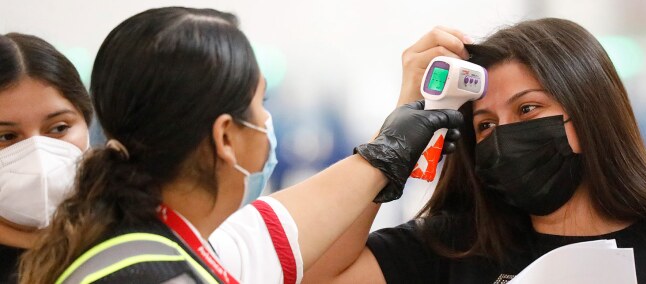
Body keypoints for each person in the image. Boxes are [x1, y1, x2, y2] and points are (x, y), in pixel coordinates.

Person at [302, 18, 646, 283]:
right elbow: (315, 274)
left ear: (591, 115)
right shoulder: (451, 249)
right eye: (485, 124)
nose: (504, 134)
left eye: (528, 109)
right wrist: (391, 145)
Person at [17, 7, 462, 283]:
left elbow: (281, 232)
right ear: (226, 137)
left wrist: (390, 144)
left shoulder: (141, 242)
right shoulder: (161, 272)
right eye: (259, 104)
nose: (267, 122)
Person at [0, 32, 93, 283]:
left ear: (86, 123)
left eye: (59, 128)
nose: (38, 154)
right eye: (6, 137)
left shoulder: (126, 239)